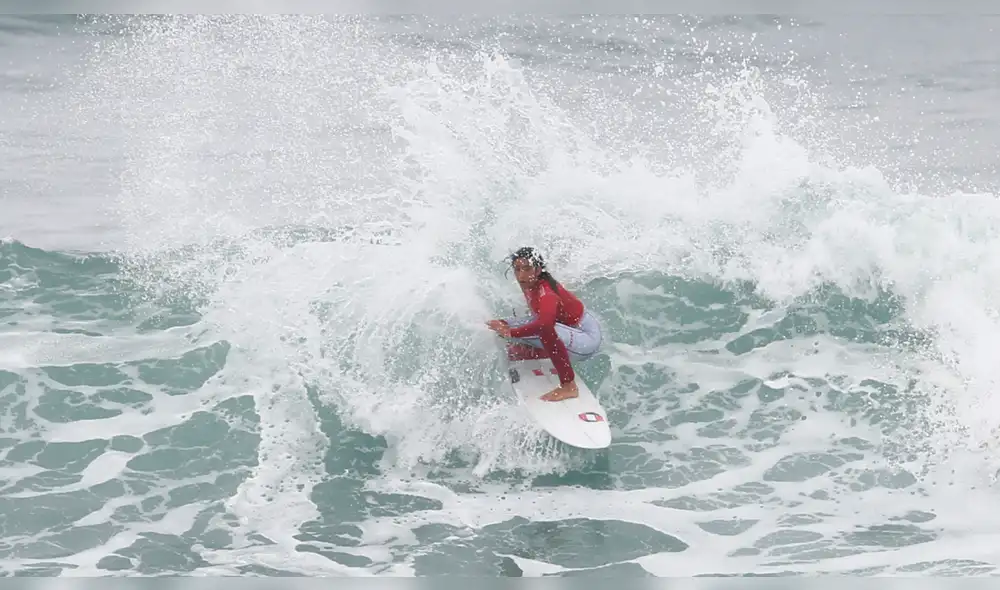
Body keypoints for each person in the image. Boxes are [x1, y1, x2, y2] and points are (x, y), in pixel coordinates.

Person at [486, 247, 603, 402]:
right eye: (517, 269)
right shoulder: (530, 282)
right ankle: (535, 351)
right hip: (571, 330)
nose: (521, 275)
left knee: (543, 330)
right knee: (498, 324)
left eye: (527, 269)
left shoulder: (546, 291)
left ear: (538, 270)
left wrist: (512, 333)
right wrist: (508, 329)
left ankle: (569, 387)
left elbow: (545, 325)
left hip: (586, 339)